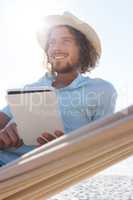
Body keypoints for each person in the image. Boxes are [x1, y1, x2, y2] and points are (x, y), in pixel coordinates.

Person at [0, 12, 117, 166]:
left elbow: (100, 148)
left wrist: (65, 150)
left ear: (82, 49)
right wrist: (4, 137)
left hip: (31, 172)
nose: (56, 48)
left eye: (65, 41)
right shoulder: (31, 88)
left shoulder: (101, 90)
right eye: (52, 42)